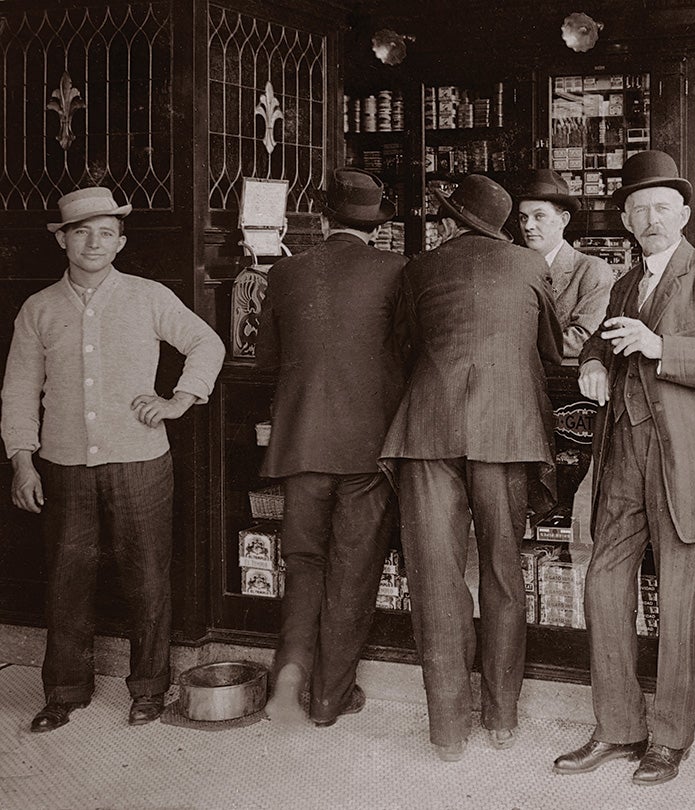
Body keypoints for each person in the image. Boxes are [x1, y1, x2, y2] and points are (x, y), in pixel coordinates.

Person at [553, 150, 695, 786]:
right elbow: (601, 338)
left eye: (662, 208)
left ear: (686, 214)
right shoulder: (623, 279)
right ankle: (617, 727)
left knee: (680, 595)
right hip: (623, 456)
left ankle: (668, 738)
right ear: (625, 218)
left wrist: (662, 347)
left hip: (687, 460)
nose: (650, 218)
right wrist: (592, 361)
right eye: (638, 209)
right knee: (602, 584)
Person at [1, 187, 225, 732]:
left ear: (121, 242)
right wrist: (22, 460)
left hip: (141, 460)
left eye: (105, 233)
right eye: (80, 232)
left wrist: (177, 401)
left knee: (147, 577)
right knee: (66, 577)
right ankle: (64, 691)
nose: (93, 243)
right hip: (63, 464)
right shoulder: (38, 309)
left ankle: (149, 687)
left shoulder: (149, 297)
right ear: (61, 240)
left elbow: (207, 344)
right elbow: (19, 390)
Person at [379, 174, 562, 761]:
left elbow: (402, 347)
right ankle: (502, 718)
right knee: (504, 574)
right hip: (506, 432)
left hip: (427, 430)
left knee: (436, 579)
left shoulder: (418, 269)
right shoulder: (531, 266)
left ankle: (448, 731)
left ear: (451, 221)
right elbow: (553, 351)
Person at [257, 168, 407, 727]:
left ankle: (289, 677)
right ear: (376, 225)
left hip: (300, 442)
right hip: (368, 448)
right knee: (353, 567)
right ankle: (327, 700)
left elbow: (267, 361)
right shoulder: (397, 270)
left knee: (303, 563)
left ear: (323, 220)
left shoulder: (286, 271)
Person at [515, 169, 614, 518]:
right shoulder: (514, 267)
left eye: (540, 217)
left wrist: (514, 345)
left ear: (564, 220)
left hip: (569, 406)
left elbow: (581, 340)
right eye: (524, 217)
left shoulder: (593, 270)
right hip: (521, 399)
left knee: (564, 503)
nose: (529, 226)